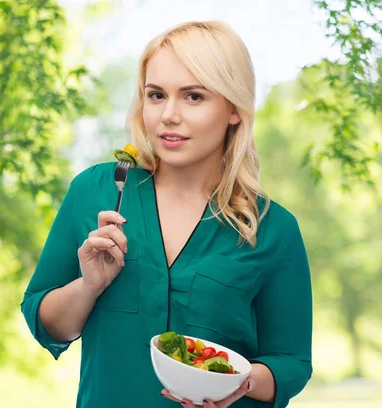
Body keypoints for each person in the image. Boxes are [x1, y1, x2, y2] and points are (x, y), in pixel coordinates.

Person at [21, 20, 312, 408]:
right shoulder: (95, 191)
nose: (168, 115)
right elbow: (46, 324)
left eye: (193, 97)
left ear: (233, 109)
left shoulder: (273, 228)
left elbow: (291, 363)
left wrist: (237, 384)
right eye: (156, 95)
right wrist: (88, 285)